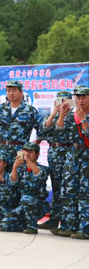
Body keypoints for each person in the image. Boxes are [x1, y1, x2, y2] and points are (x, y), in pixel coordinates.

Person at [53, 85, 89, 239]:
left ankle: (85, 228)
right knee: (68, 191)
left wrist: (83, 120)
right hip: (72, 156)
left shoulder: (83, 115)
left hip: (86, 156)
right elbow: (59, 131)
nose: (80, 100)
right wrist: (62, 114)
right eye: (78, 97)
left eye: (84, 97)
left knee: (85, 193)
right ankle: (68, 226)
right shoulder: (71, 115)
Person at [0, 80, 43, 170]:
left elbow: (42, 130)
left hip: (20, 151)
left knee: (19, 176)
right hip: (3, 151)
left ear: (21, 92)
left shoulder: (30, 110)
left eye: (14, 90)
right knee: (2, 177)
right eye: (8, 91)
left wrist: (31, 147)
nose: (11, 93)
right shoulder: (2, 108)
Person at [40, 91, 73, 231]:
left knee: (66, 188)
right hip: (54, 152)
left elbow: (63, 131)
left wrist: (63, 114)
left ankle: (66, 222)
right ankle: (53, 220)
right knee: (55, 186)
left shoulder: (74, 117)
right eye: (59, 100)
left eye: (65, 101)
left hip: (67, 153)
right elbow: (44, 128)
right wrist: (54, 112)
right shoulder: (51, 116)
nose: (62, 104)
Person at [0, 142, 48, 234]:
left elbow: (38, 174)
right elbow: (12, 182)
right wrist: (15, 167)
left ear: (37, 154)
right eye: (25, 151)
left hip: (37, 206)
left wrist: (27, 160)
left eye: (30, 152)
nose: (27, 154)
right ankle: (23, 224)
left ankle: (32, 227)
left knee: (26, 198)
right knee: (4, 225)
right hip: (22, 205)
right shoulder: (21, 169)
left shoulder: (43, 169)